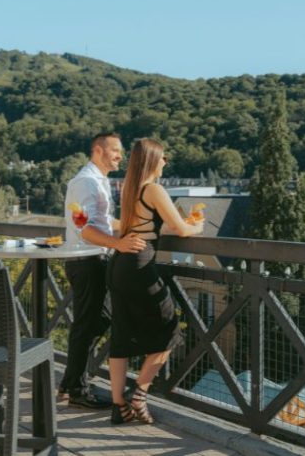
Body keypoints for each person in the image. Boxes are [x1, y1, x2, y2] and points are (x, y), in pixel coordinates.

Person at [107, 138, 204, 424]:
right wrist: (198, 224)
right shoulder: (154, 189)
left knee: (121, 335)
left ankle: (118, 406)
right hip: (140, 263)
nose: (165, 162)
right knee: (170, 330)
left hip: (119, 263)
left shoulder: (128, 188)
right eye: (162, 158)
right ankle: (139, 395)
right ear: (152, 161)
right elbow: (181, 229)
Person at [59, 132, 146, 409]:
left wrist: (136, 226)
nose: (120, 156)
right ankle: (77, 390)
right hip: (87, 261)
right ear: (98, 150)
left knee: (96, 320)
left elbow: (103, 221)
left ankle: (70, 381)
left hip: (94, 260)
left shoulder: (98, 181)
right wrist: (119, 243)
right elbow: (84, 228)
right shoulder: (86, 181)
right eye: (116, 151)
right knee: (87, 324)